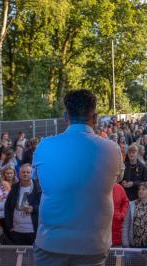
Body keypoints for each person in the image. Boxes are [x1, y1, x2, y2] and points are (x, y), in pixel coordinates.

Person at [33, 89, 124, 266]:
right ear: (95, 117)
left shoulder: (44, 146)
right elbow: (117, 179)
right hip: (93, 246)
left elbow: (39, 181)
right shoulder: (112, 149)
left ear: (66, 116)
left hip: (50, 242)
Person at [5, 164, 41, 245]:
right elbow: (7, 207)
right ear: (19, 174)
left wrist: (33, 208)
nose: (25, 174)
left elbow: (43, 205)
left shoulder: (38, 188)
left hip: (33, 230)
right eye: (23, 172)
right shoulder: (14, 187)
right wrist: (9, 226)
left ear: (32, 174)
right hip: (17, 229)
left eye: (28, 172)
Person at [112, 183, 129, 247]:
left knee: (117, 252)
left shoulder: (118, 187)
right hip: (102, 226)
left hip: (117, 224)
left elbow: (125, 201)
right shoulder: (98, 187)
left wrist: (122, 215)